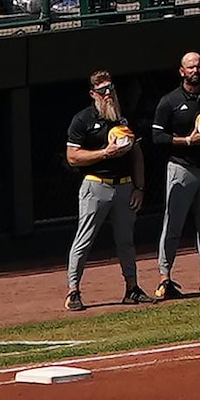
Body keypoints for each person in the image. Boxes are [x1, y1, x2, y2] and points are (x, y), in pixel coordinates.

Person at [64, 68, 149, 310]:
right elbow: (72, 157)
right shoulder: (83, 119)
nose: (108, 93)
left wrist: (139, 187)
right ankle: (73, 292)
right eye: (102, 91)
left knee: (126, 240)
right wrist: (104, 153)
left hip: (124, 187)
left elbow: (137, 155)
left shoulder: (123, 118)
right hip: (96, 186)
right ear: (93, 94)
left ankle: (132, 288)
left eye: (111, 88)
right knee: (85, 239)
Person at [149, 51, 200, 295]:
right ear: (182, 71)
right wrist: (187, 141)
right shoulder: (169, 101)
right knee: (173, 225)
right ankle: (165, 278)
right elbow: (157, 137)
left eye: (199, 66)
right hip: (181, 168)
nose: (195, 70)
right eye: (191, 67)